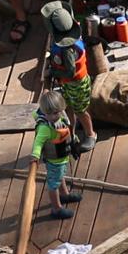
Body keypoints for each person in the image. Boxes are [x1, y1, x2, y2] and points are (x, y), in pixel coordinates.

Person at [41, 1, 97, 151]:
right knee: (68, 108)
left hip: (76, 84)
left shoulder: (67, 50)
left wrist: (53, 72)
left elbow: (71, 72)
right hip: (67, 84)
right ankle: (71, 134)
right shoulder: (66, 40)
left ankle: (91, 134)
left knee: (80, 110)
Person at [32, 89, 80, 220]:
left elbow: (67, 131)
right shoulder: (45, 128)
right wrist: (35, 156)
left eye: (57, 112)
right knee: (53, 184)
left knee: (61, 176)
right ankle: (56, 208)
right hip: (54, 161)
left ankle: (64, 194)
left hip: (62, 157)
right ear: (45, 112)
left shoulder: (60, 118)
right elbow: (38, 143)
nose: (55, 116)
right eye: (51, 114)